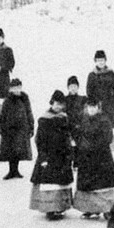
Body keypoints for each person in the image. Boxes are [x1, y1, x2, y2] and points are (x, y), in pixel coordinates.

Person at [29, 90, 73, 221]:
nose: (58, 107)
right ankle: (50, 209)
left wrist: (70, 152)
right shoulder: (44, 119)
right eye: (56, 104)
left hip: (62, 154)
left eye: (61, 104)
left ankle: (60, 206)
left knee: (61, 182)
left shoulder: (64, 117)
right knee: (50, 182)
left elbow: (67, 135)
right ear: (52, 103)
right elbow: (40, 139)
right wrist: (43, 156)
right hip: (49, 154)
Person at [73, 99, 114, 217]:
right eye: (89, 107)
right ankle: (90, 209)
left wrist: (94, 145)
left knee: (102, 185)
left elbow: (108, 138)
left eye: (94, 107)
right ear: (86, 107)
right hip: (86, 157)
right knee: (88, 185)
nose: (91, 109)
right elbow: (77, 134)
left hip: (101, 157)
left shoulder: (104, 120)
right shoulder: (83, 120)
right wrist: (82, 144)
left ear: (98, 108)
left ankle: (106, 209)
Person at [0, 78, 34, 180]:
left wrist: (31, 126)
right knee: (10, 150)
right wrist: (1, 126)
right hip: (9, 129)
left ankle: (16, 170)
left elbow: (29, 112)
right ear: (10, 89)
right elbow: (3, 114)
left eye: (18, 87)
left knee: (19, 150)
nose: (17, 90)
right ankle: (11, 171)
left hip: (22, 128)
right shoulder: (7, 100)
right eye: (14, 88)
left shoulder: (24, 98)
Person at [86, 50, 114, 131]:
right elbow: (89, 92)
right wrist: (94, 106)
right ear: (95, 61)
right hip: (97, 107)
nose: (100, 62)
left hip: (109, 107)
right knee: (98, 129)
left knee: (110, 130)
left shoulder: (111, 73)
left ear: (105, 60)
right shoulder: (92, 75)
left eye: (102, 60)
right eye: (98, 60)